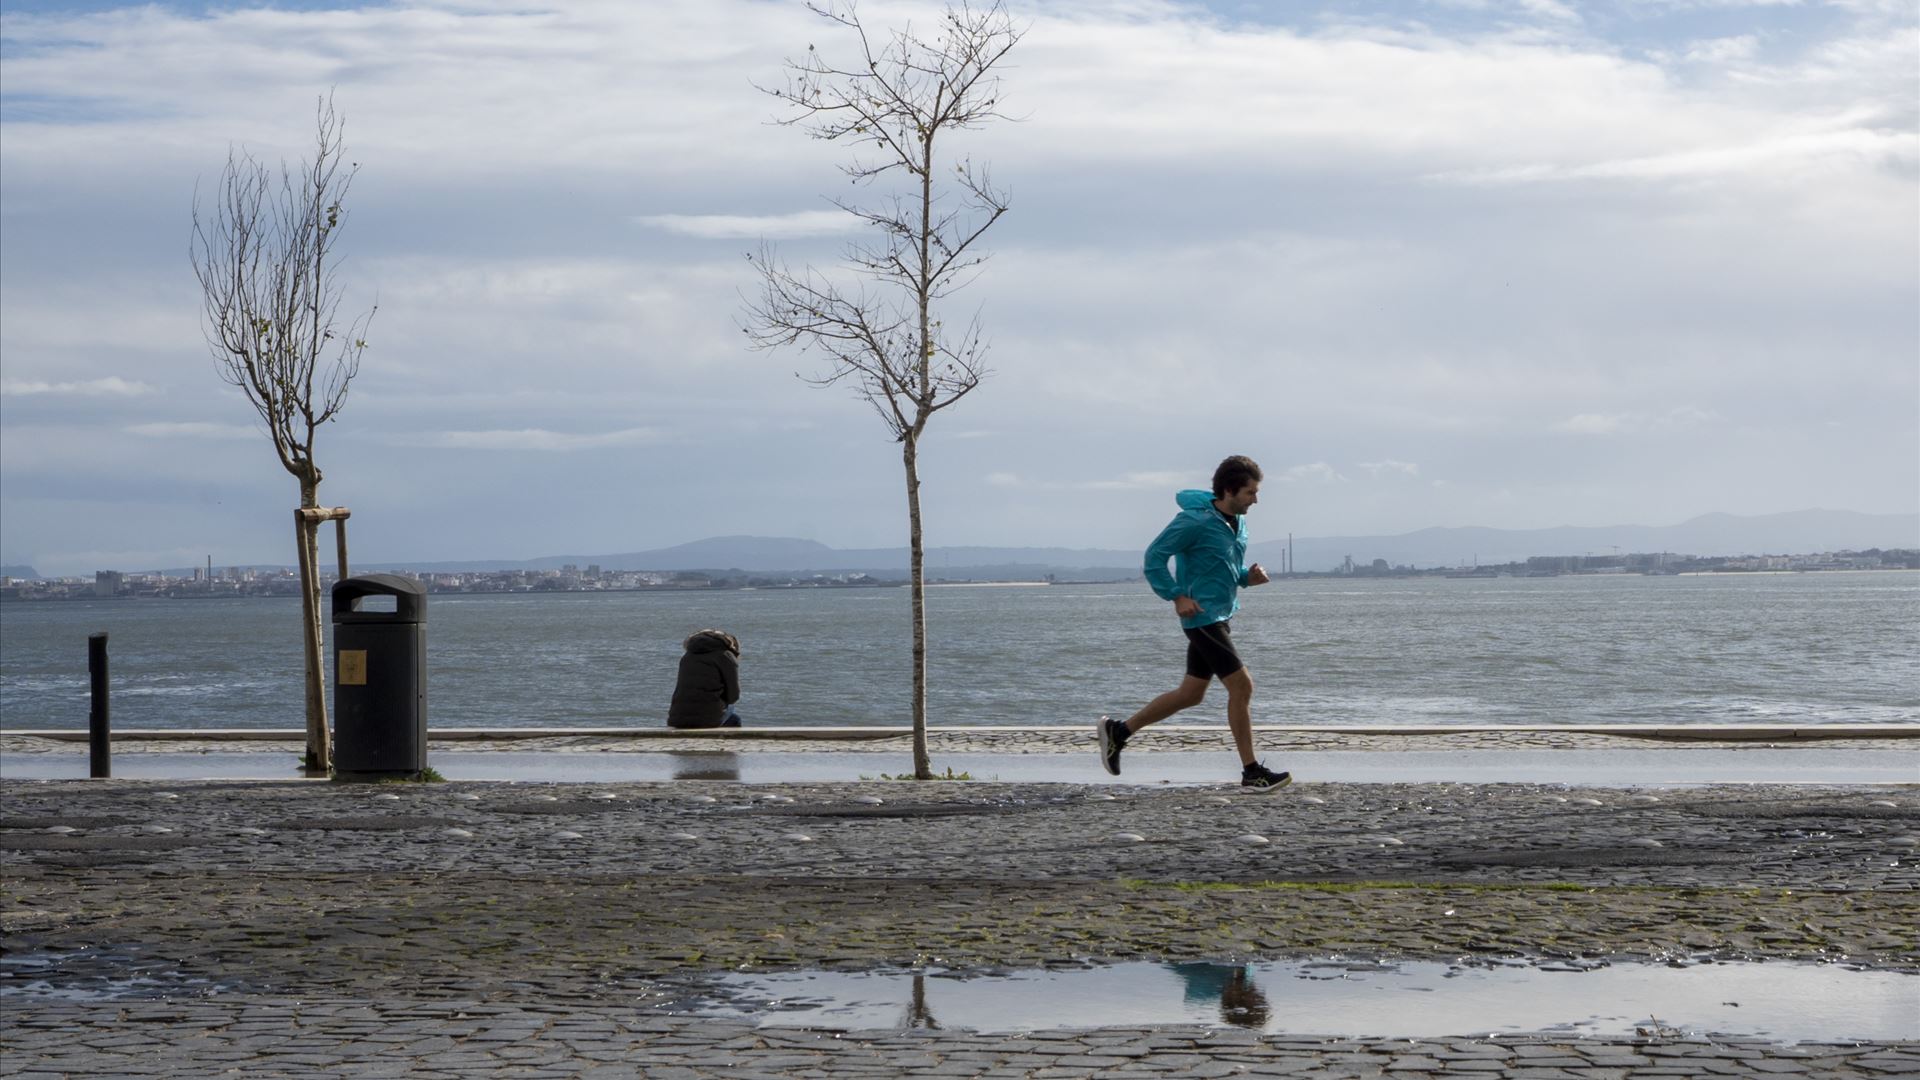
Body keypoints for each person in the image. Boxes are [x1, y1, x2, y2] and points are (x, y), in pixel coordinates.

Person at [1097, 455, 1291, 792]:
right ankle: (1251, 772)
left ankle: (1120, 732)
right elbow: (1154, 557)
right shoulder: (1194, 521)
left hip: (1221, 614)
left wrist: (1247, 578)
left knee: (1191, 694)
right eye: (1250, 492)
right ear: (1229, 490)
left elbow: (1221, 566)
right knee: (1242, 686)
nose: (1256, 500)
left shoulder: (1237, 522)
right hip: (1200, 616)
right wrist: (1176, 596)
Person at [667, 629, 743, 729]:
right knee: (735, 718)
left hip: (677, 719)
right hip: (708, 719)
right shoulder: (725, 655)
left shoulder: (687, 656)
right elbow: (733, 696)